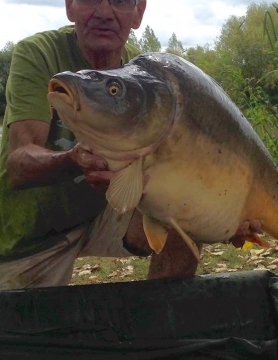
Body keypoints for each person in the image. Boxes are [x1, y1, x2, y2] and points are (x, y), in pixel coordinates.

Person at [0, 0, 201, 290]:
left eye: (119, 1)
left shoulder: (142, 74)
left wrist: (227, 216)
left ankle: (159, 326)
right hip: (30, 235)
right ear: (70, 7)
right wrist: (73, 159)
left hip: (105, 209)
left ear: (138, 12)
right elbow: (19, 164)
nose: (105, 12)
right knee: (30, 331)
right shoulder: (38, 53)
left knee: (188, 213)